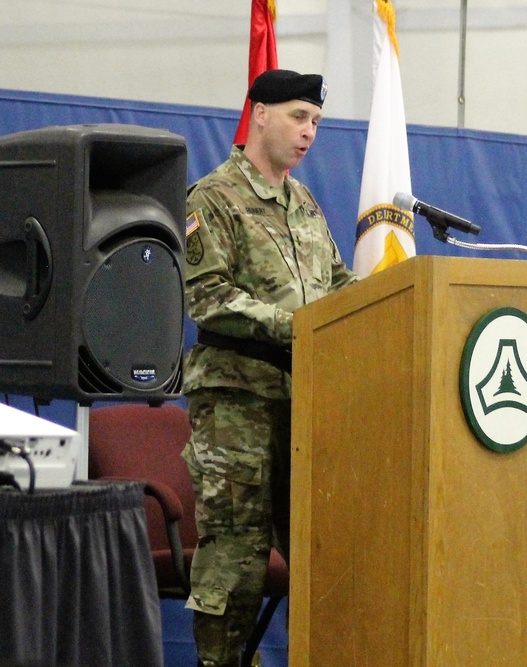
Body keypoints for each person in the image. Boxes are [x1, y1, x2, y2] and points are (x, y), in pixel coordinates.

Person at [182, 68, 357, 666]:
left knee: (321, 553)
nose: (309, 133)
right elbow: (207, 296)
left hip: (306, 401)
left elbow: (337, 285)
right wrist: (299, 326)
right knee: (236, 558)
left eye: (316, 122)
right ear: (258, 112)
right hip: (237, 401)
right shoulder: (213, 197)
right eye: (298, 117)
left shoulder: (302, 202)